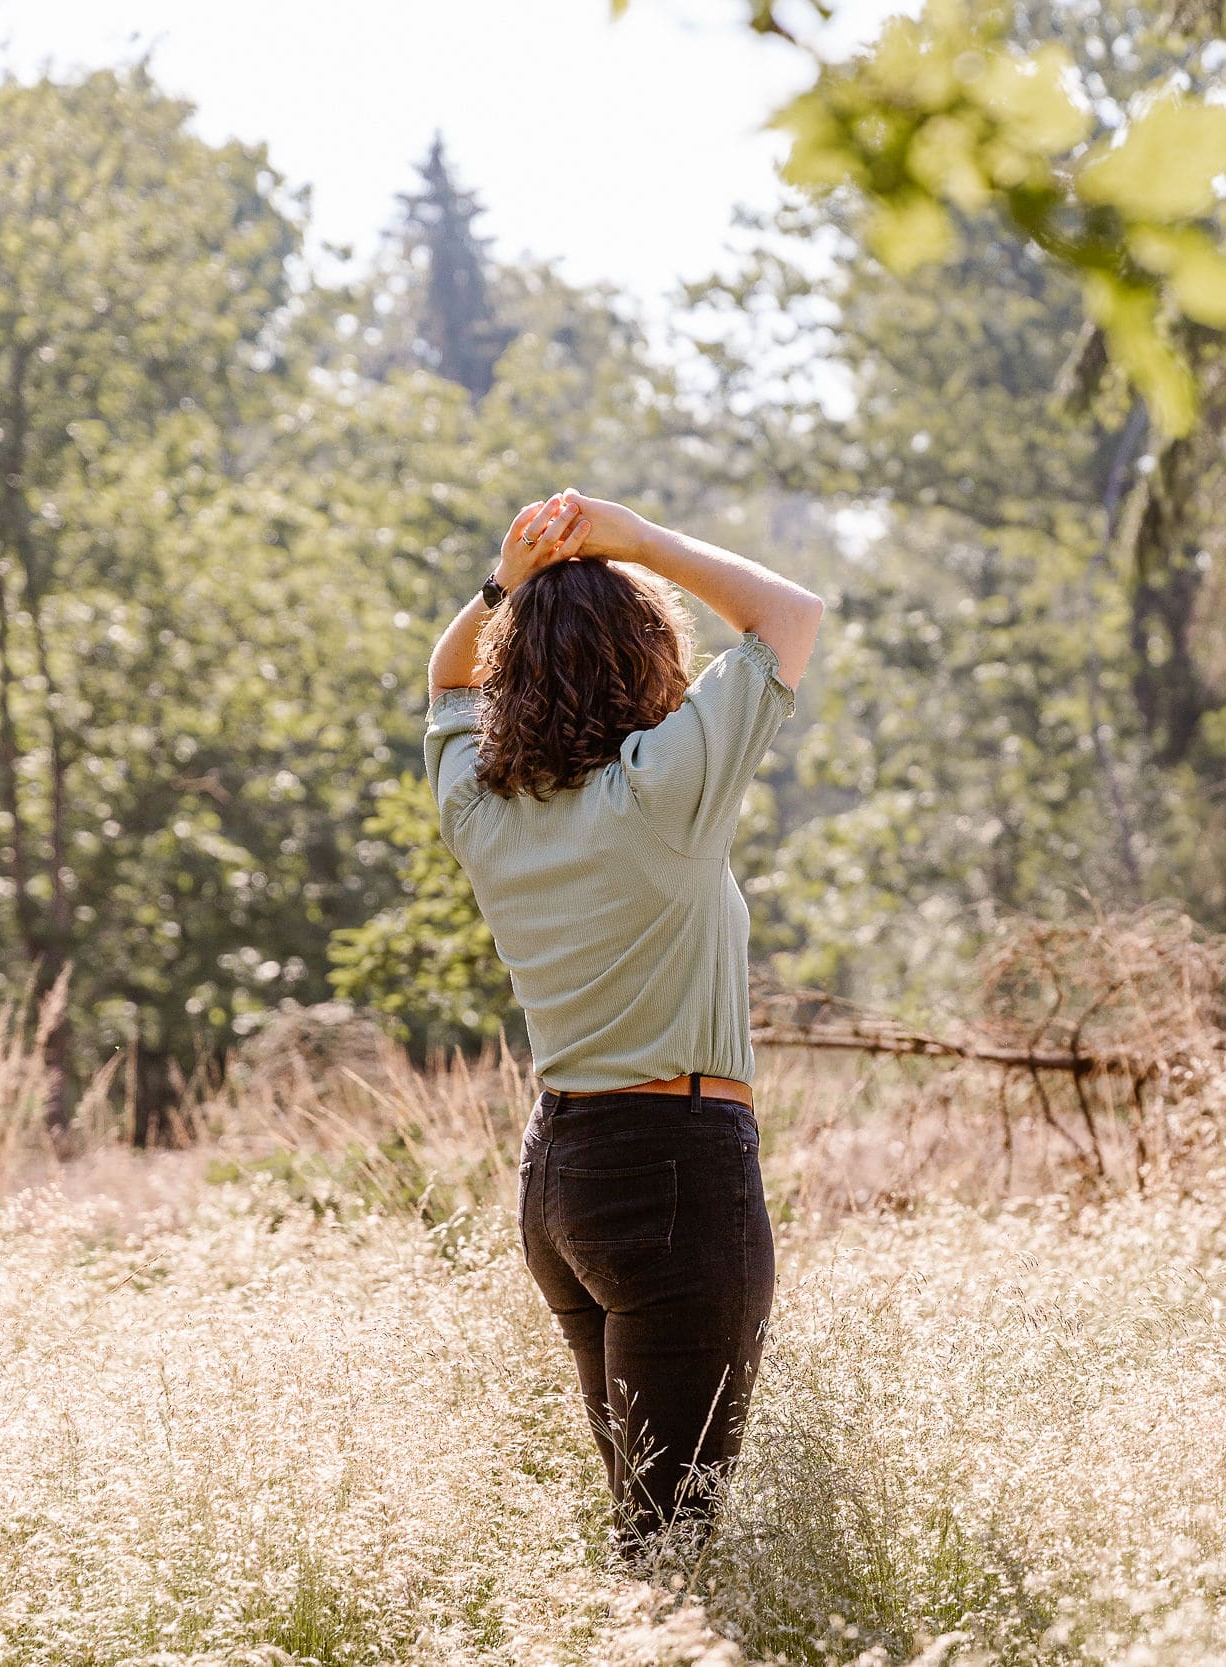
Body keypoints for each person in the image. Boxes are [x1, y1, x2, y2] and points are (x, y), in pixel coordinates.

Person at [422, 488, 823, 1548]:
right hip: (675, 1172)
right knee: (674, 1546)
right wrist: (636, 539)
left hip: (559, 1180)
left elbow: (444, 677)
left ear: (516, 673)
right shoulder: (660, 791)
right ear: (647, 659)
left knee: (643, 1525)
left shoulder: (482, 811)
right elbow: (789, 615)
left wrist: (505, 583)